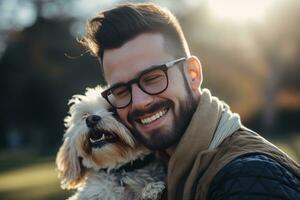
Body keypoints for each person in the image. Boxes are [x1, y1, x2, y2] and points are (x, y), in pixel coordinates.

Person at [80, 3, 300, 199]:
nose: (138, 102)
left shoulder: (246, 177)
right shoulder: (160, 168)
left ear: (192, 73)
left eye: (153, 78)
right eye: (120, 90)